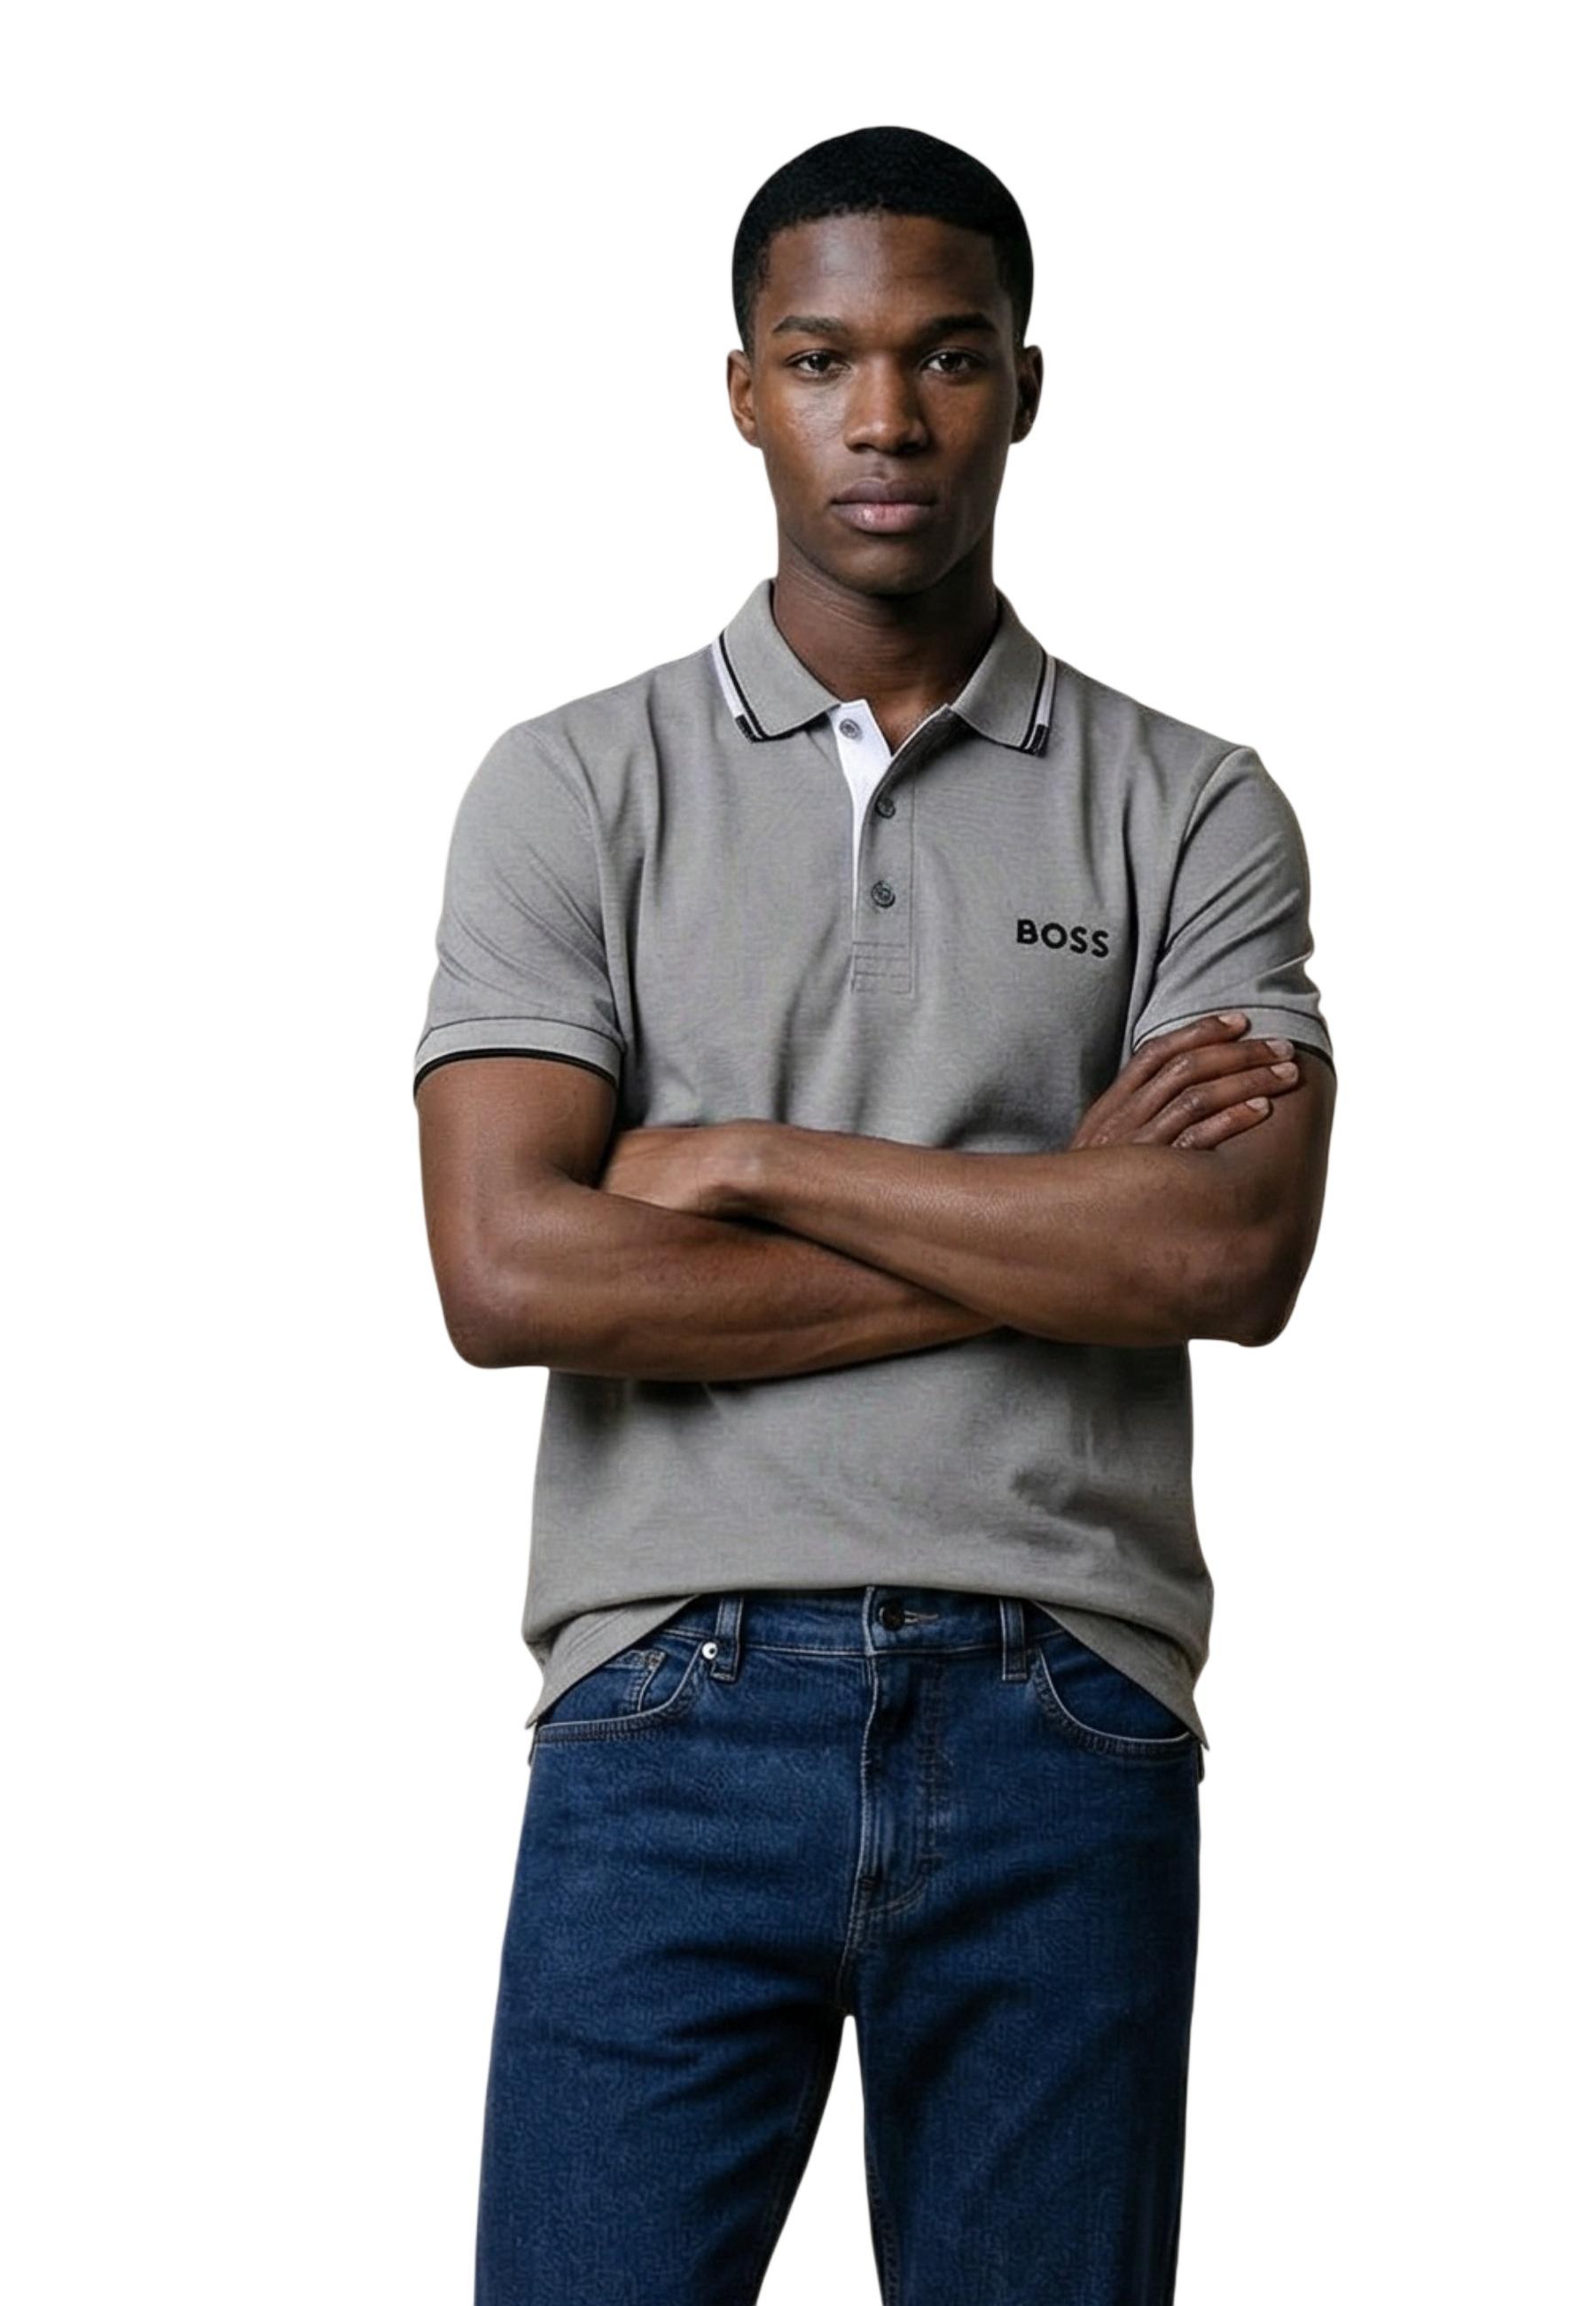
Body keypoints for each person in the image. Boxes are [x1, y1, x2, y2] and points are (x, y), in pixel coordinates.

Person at [413, 123, 1335, 2306]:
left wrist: (745, 1161)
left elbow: (1224, 1257)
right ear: (745, 388)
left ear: (1026, 385)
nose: (888, 417)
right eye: (824, 359)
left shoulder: (1194, 803)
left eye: (949, 354)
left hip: (1063, 1702)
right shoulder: (572, 785)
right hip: (668, 1691)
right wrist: (1056, 1215)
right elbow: (510, 1270)